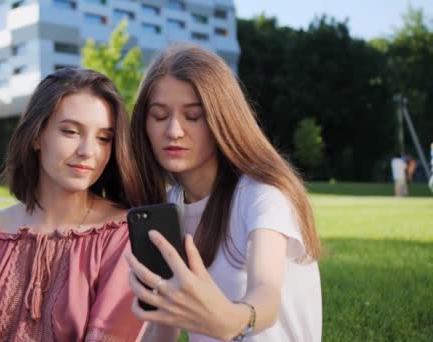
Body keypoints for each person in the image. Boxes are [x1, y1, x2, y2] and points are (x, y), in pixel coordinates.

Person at [126, 44, 322, 341]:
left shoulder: (261, 194)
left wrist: (229, 321)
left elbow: (266, 297)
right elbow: (163, 328)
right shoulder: (167, 208)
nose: (174, 130)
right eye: (159, 115)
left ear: (222, 119)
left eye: (193, 116)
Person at [0, 68, 145, 341]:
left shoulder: (122, 235)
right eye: (71, 132)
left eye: (103, 138)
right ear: (37, 136)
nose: (88, 151)